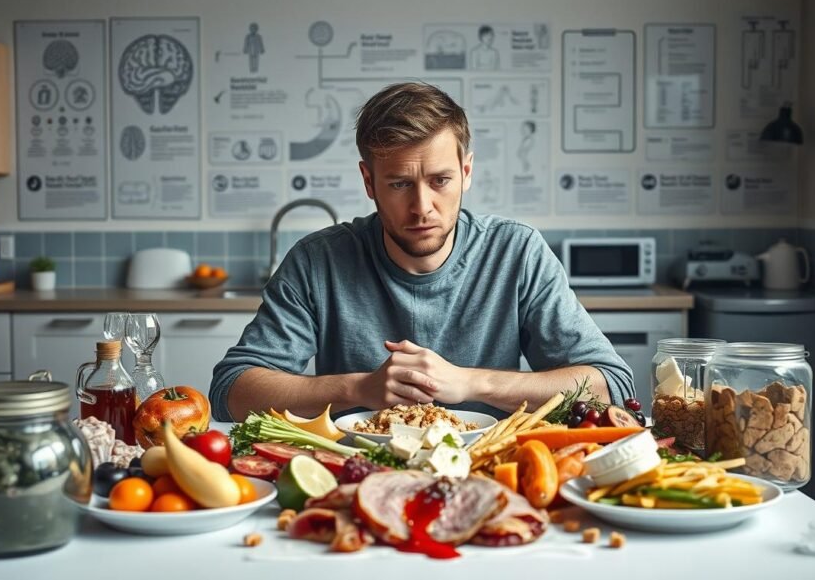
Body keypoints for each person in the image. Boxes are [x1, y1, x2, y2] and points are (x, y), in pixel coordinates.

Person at [210, 82, 633, 422]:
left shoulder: (516, 251)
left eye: (440, 180)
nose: (422, 207)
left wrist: (471, 384)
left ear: (466, 172)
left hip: (489, 470)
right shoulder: (316, 261)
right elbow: (231, 390)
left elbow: (611, 384)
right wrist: (359, 389)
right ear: (368, 182)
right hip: (354, 476)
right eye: (399, 184)